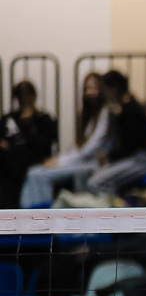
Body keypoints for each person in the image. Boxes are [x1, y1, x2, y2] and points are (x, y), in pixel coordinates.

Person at [20, 72, 108, 208]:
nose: (90, 93)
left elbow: (89, 149)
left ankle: (42, 214)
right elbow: (79, 148)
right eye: (87, 89)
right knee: (33, 171)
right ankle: (27, 213)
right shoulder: (89, 116)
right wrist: (59, 159)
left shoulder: (105, 113)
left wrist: (60, 162)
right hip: (81, 160)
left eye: (94, 88)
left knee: (39, 175)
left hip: (91, 163)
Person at [81, 70, 146, 201]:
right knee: (92, 176)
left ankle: (115, 208)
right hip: (135, 157)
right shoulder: (125, 110)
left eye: (105, 90)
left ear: (114, 89)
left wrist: (109, 157)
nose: (104, 95)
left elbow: (130, 146)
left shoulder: (131, 110)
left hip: (143, 159)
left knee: (96, 182)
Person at [0, 80, 59, 206]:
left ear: (34, 97)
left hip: (33, 162)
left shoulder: (43, 119)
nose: (25, 100)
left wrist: (27, 123)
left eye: (28, 96)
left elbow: (43, 145)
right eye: (21, 96)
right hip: (8, 166)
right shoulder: (8, 119)